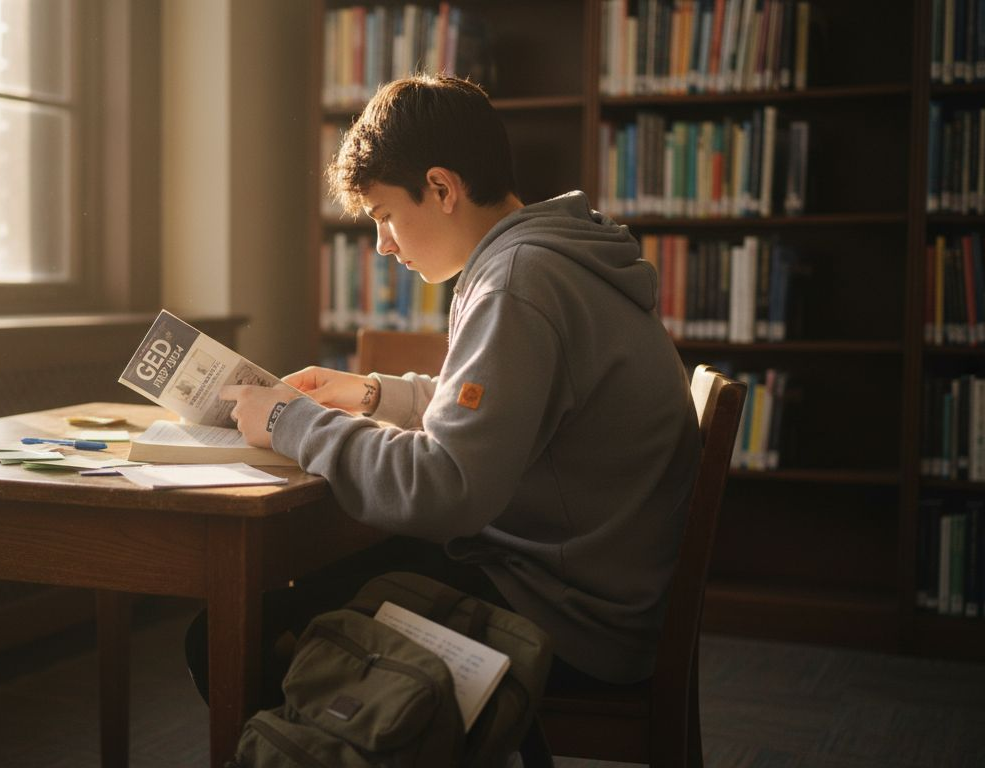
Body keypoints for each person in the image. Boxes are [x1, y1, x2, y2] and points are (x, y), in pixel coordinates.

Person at [187, 74, 701, 706]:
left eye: (385, 216)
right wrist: (376, 396)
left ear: (440, 187)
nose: (382, 244)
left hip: (565, 621)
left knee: (230, 635)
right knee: (312, 584)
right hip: (595, 592)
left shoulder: (518, 281)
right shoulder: (550, 255)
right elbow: (513, 408)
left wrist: (291, 420)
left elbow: (442, 489)